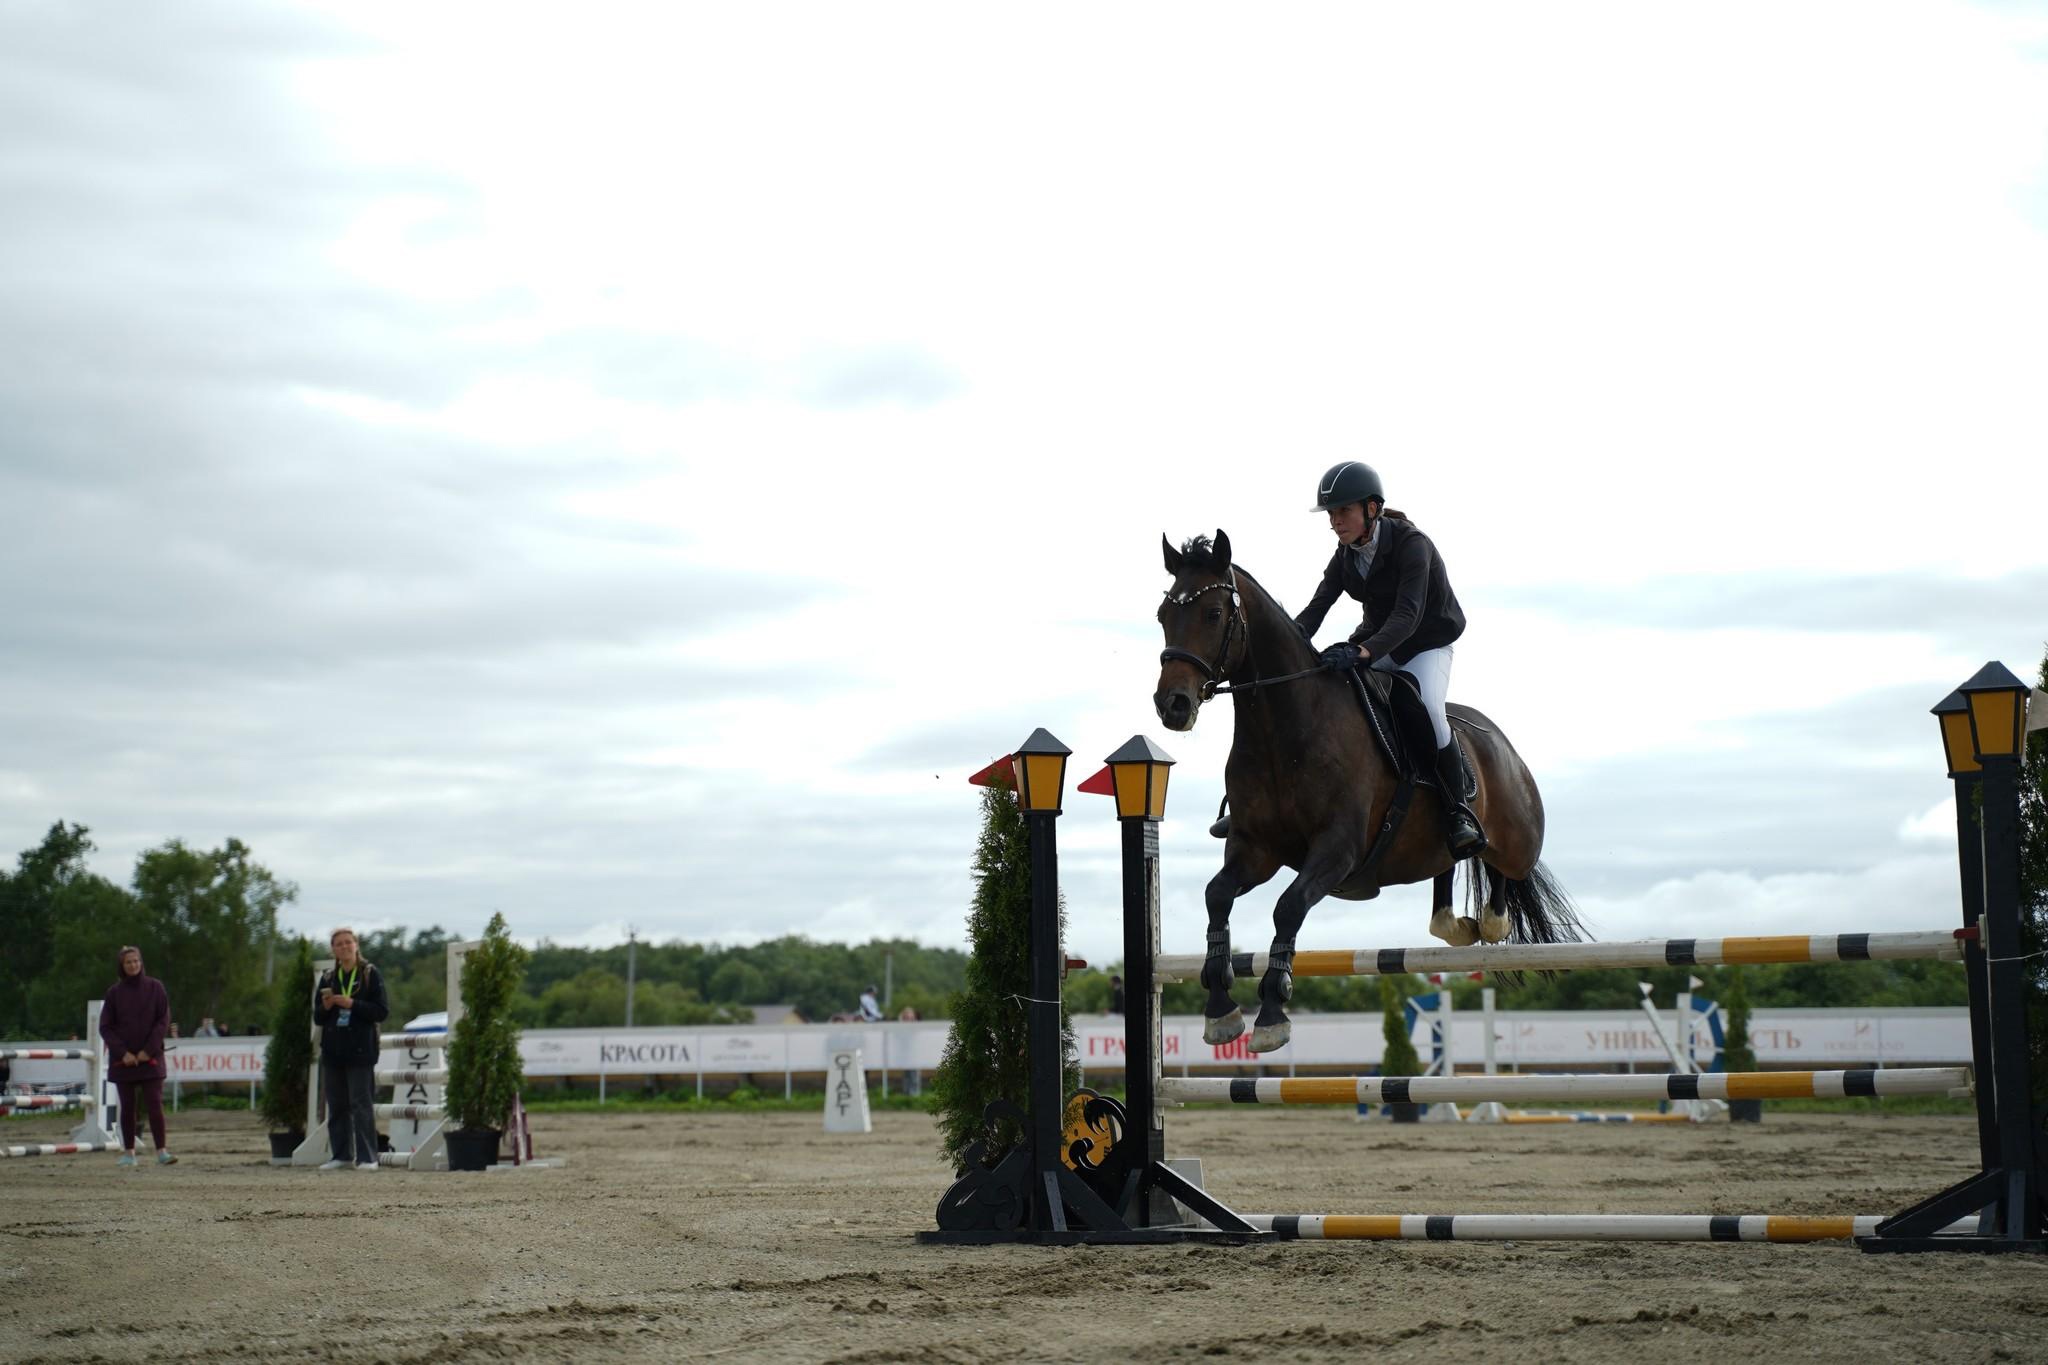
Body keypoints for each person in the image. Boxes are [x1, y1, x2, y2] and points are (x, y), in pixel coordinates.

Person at [1289, 460, 1484, 856]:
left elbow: (1407, 615)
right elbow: (1316, 608)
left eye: (1343, 511)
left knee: (1429, 708)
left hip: (1428, 642)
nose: (1336, 521)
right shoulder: (1345, 557)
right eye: (1331, 513)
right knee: (1328, 689)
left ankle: (1458, 809)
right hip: (1380, 641)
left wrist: (1363, 651)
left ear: (1372, 509)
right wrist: (1287, 646)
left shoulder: (1414, 546)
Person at [313, 927, 390, 1172]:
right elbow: (317, 1018)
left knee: (361, 1104)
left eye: (348, 942)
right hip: (334, 1049)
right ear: (333, 950)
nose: (344, 947)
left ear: (356, 945)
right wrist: (326, 1007)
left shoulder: (369, 974)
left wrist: (352, 1004)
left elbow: (381, 1011)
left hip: (361, 1048)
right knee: (336, 1105)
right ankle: (341, 1154)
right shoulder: (327, 978)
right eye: (339, 944)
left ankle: (368, 1156)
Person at [98, 946, 175, 1168]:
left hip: (150, 1059)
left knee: (154, 1103)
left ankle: (162, 1151)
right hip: (124, 1062)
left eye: (136, 961)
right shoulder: (113, 993)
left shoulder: (156, 988)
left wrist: (146, 1051)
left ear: (141, 962)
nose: (133, 965)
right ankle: (129, 1153)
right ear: (122, 966)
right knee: (127, 1107)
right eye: (128, 962)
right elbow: (106, 1027)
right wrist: (124, 1053)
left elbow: (163, 1021)